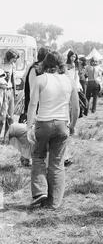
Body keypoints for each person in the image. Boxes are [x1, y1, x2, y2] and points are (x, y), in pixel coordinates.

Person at [27, 51, 79, 208]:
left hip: (44, 123)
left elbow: (33, 104)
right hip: (62, 123)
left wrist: (29, 126)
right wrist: (73, 126)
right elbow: (75, 107)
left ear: (45, 63)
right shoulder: (69, 80)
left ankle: (40, 191)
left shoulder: (40, 79)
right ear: (62, 64)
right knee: (57, 163)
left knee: (38, 157)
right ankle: (54, 203)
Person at [0, 49, 19, 138]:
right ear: (9, 57)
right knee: (2, 116)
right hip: (2, 91)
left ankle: (7, 137)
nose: (15, 60)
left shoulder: (13, 66)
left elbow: (13, 80)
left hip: (10, 90)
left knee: (10, 115)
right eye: (14, 58)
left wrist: (15, 93)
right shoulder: (1, 64)